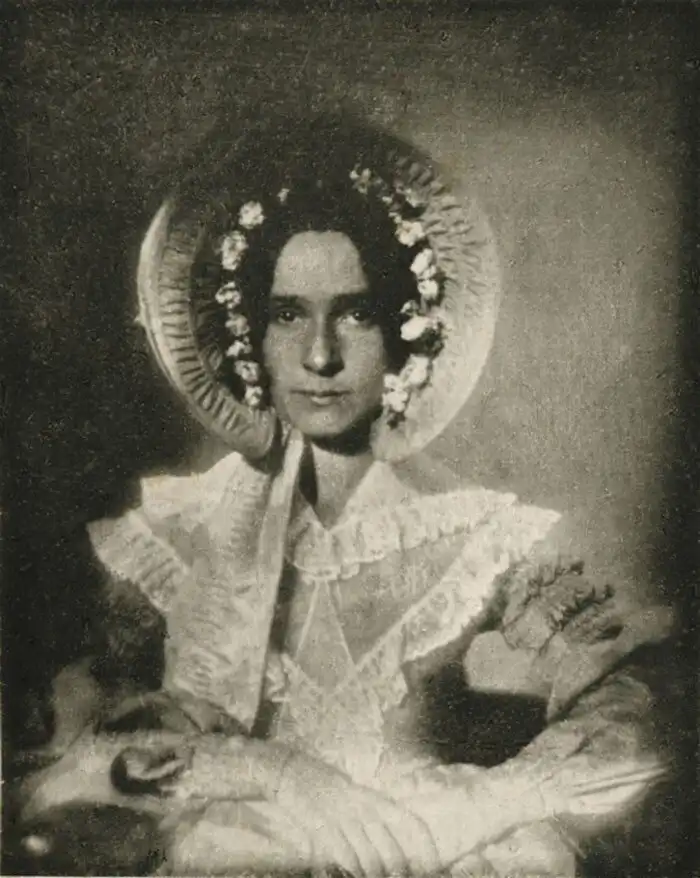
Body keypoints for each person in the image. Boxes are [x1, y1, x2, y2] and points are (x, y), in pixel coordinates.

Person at [17, 127, 673, 877]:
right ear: (249, 332)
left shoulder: (482, 535)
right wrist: (273, 775)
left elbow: (640, 707)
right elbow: (63, 760)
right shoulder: (176, 535)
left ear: (404, 327)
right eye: (288, 314)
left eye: (356, 313)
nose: (320, 355)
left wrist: (479, 806)